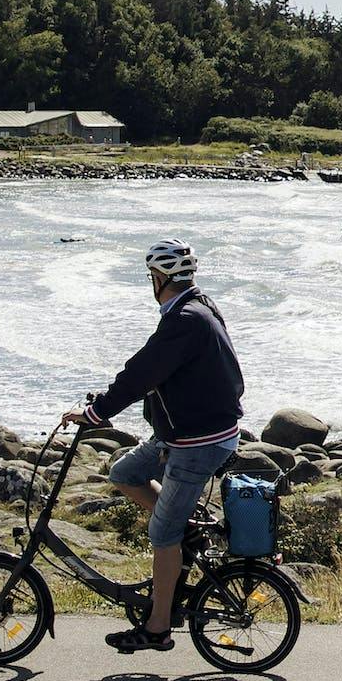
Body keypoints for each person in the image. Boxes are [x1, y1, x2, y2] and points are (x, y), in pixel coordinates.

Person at [77, 238, 248, 653]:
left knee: (163, 532)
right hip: (186, 433)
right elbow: (158, 373)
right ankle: (186, 528)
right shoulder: (197, 306)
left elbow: (141, 374)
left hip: (198, 442)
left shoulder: (184, 319)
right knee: (125, 473)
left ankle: (157, 628)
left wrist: (96, 413)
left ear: (158, 277)